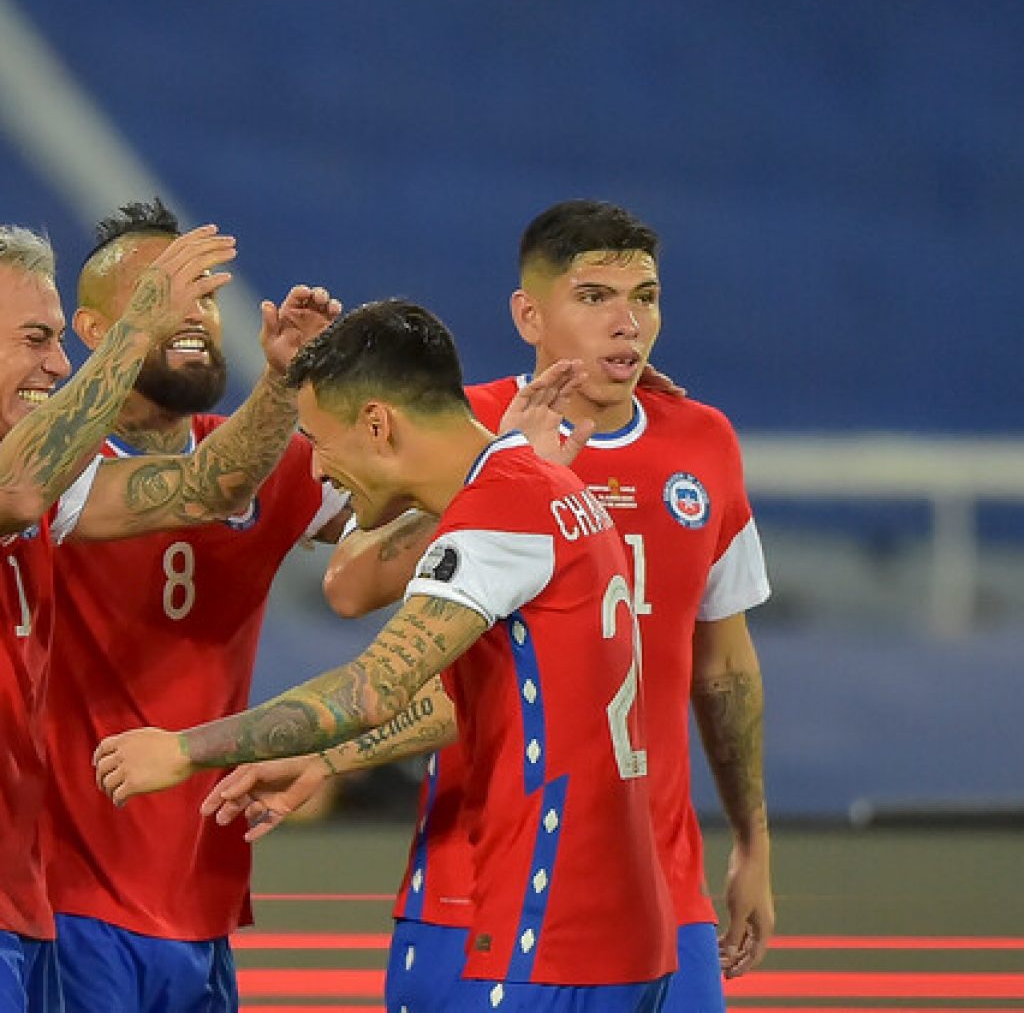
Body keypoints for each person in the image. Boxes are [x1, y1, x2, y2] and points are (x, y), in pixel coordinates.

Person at [207, 200, 775, 1012]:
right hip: (485, 875)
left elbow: (722, 663)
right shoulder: (459, 423)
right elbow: (350, 583)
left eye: (644, 297)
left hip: (658, 883)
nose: (627, 323)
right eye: (594, 298)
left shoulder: (703, 442)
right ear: (528, 313)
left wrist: (753, 841)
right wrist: (498, 475)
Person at [94, 299, 677, 1012]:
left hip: (546, 926)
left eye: (319, 441)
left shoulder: (499, 513)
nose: (322, 471)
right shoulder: (552, 490)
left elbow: (373, 687)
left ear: (377, 423)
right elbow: (472, 699)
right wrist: (326, 758)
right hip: (620, 932)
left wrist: (184, 750)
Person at [37, 199, 350, 1013]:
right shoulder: (46, 474)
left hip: (203, 902)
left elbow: (405, 522)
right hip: (65, 899)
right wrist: (281, 388)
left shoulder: (265, 452)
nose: (195, 315)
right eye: (163, 294)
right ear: (95, 327)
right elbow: (215, 486)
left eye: (206, 295)